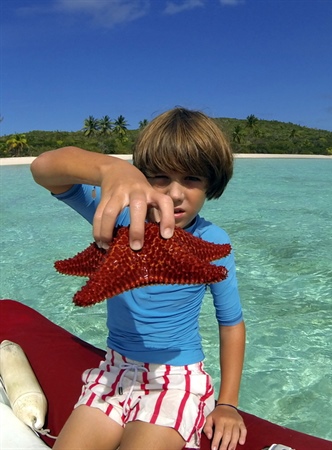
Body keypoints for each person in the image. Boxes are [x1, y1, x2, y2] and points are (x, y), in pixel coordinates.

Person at [30, 107, 247, 450]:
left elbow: (231, 322)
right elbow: (43, 168)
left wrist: (227, 403)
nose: (174, 194)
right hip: (114, 370)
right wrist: (112, 170)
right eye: (159, 177)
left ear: (211, 184)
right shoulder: (117, 214)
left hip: (176, 379)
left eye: (191, 179)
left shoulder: (213, 243)